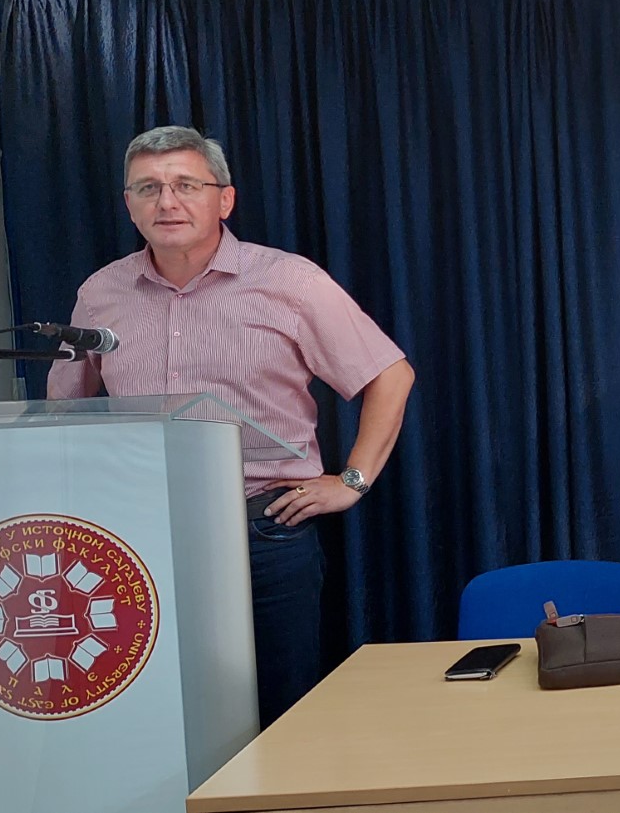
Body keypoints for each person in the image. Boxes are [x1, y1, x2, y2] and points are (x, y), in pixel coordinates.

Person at [47, 126, 414, 724]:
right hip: (140, 534)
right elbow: (66, 408)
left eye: (186, 185)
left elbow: (389, 374)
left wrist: (352, 480)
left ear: (225, 199)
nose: (167, 202)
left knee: (280, 712)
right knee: (154, 712)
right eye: (148, 188)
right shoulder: (101, 293)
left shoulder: (289, 281)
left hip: (263, 531)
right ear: (129, 205)